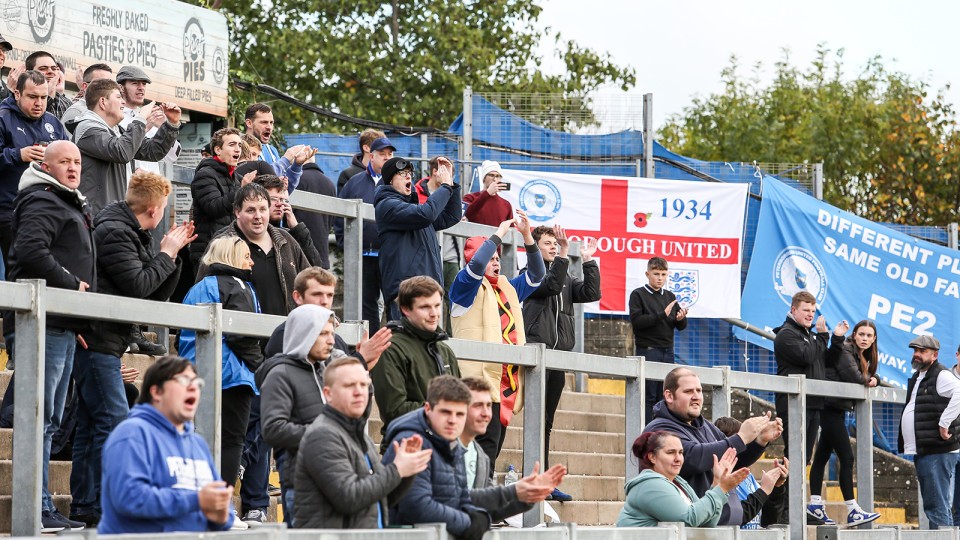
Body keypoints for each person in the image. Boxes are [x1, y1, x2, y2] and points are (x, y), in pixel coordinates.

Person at [69, 171, 194, 526]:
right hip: (96, 337)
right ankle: (110, 504)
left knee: (95, 423)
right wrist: (166, 252)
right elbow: (138, 285)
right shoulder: (114, 231)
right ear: (155, 211)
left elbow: (155, 293)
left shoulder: (128, 231)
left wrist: (173, 256)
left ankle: (89, 506)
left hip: (107, 338)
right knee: (113, 421)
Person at [3, 140, 92, 532]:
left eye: (77, 162)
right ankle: (34, 505)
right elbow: (30, 252)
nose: (73, 168)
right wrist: (73, 286)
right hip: (41, 322)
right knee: (38, 417)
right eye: (65, 162)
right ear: (47, 166)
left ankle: (42, 504)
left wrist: (78, 318)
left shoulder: (66, 200)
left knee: (50, 419)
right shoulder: (42, 200)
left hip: (61, 322)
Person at [178, 236, 263, 530]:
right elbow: (243, 335)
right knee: (231, 442)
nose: (251, 262)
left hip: (197, 372)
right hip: (232, 375)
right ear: (231, 257)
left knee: (203, 440)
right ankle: (222, 508)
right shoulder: (237, 285)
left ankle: (201, 505)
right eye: (246, 257)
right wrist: (261, 368)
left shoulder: (198, 286)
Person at [449, 211, 545, 467]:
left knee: (490, 457)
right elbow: (476, 266)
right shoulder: (463, 287)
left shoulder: (505, 286)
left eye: (497, 258)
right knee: (479, 459)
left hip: (503, 387)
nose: (495, 262)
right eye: (490, 257)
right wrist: (499, 233)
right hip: (475, 387)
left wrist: (527, 237)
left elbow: (537, 274)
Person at [98, 356, 234, 533]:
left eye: (197, 383)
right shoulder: (131, 434)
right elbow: (130, 497)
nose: (193, 387)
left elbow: (223, 509)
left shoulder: (197, 443)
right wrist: (197, 500)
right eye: (184, 380)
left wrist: (222, 516)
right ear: (157, 392)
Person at [295, 356, 432, 528]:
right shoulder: (322, 435)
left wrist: (406, 471)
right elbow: (349, 497)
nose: (359, 391)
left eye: (363, 384)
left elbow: (381, 499)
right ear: (328, 394)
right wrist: (397, 469)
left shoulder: (361, 437)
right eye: (349, 385)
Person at [642, 367, 782, 526]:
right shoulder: (659, 429)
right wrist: (742, 437)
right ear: (669, 395)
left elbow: (733, 459)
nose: (696, 397)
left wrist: (759, 441)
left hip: (725, 527)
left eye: (699, 391)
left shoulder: (706, 426)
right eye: (688, 392)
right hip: (694, 528)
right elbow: (693, 458)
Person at [521, 224, 600, 501]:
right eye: (547, 243)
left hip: (557, 358)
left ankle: (543, 481)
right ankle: (533, 480)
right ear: (534, 247)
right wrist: (565, 255)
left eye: (556, 243)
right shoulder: (530, 273)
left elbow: (591, 294)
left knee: (547, 420)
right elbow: (550, 284)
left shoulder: (563, 274)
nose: (554, 246)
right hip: (535, 356)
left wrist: (588, 261)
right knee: (536, 419)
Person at [255, 304, 338, 524]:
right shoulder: (280, 374)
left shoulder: (326, 370)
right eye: (322, 334)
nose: (331, 340)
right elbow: (273, 429)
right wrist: (323, 433)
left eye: (332, 333)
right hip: (301, 480)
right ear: (304, 333)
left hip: (334, 474)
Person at [382, 375, 491, 539]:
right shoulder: (412, 441)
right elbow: (417, 506)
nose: (453, 421)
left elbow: (461, 499)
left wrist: (480, 517)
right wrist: (468, 523)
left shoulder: (451, 442)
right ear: (428, 409)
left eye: (460, 414)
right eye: (445, 412)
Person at [773, 290, 845, 524]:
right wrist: (822, 337)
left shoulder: (810, 336)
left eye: (813, 311)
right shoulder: (786, 334)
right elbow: (806, 357)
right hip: (794, 404)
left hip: (813, 403)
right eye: (806, 310)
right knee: (793, 455)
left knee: (802, 458)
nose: (810, 315)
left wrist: (836, 339)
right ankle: (785, 512)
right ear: (794, 310)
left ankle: (793, 507)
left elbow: (827, 362)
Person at [808, 319, 882, 526]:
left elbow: (865, 377)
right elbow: (855, 378)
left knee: (822, 455)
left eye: (869, 336)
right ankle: (852, 510)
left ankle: (815, 505)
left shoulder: (863, 354)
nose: (865, 339)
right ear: (854, 335)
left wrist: (875, 378)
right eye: (861, 334)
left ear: (874, 338)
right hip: (828, 407)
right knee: (847, 457)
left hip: (837, 409)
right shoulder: (845, 350)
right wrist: (870, 379)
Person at [460, 377, 566, 521]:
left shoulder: (480, 456)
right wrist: (514, 491)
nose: (486, 413)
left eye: (489, 405)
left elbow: (488, 508)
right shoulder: (440, 450)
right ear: (460, 408)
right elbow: (451, 502)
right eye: (478, 405)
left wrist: (527, 497)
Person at [371, 276, 461, 440]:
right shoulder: (391, 349)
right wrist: (443, 410)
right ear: (405, 309)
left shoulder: (445, 351)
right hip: (408, 448)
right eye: (425, 307)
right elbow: (394, 410)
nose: (434, 314)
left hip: (447, 448)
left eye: (437, 306)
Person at [73, 78, 180, 216]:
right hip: (95, 217)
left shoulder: (116, 131)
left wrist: (171, 124)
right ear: (103, 102)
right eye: (118, 97)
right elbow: (122, 152)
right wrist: (140, 119)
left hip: (113, 214)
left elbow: (154, 151)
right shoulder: (87, 128)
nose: (123, 102)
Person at [374, 156, 461, 320]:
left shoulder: (415, 210)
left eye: (409, 173)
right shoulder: (387, 205)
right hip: (406, 294)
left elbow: (452, 216)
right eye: (402, 173)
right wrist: (445, 186)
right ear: (390, 181)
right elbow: (427, 213)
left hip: (426, 292)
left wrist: (451, 184)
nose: (408, 176)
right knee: (406, 342)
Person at [0, 70, 69, 263]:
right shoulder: (3, 118)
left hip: (48, 209)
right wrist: (18, 154)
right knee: (18, 270)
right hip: (10, 210)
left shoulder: (53, 123)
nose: (39, 103)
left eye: (43, 97)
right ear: (17, 94)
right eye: (32, 97)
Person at [616, 431, 749, 527]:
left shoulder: (679, 482)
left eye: (680, 452)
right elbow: (687, 519)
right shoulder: (649, 485)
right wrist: (722, 488)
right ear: (652, 457)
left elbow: (708, 522)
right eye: (670, 452)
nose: (678, 458)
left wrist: (716, 483)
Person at [263, 266, 392, 365]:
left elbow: (346, 385)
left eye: (329, 295)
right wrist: (361, 359)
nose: (325, 301)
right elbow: (315, 379)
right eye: (317, 294)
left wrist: (364, 363)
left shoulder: (338, 339)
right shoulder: (285, 335)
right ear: (298, 297)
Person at [334, 136, 396, 332]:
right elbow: (340, 214)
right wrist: (346, 244)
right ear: (371, 156)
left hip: (390, 256)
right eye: (382, 154)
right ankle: (370, 350)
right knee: (367, 308)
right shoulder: (354, 183)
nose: (387, 158)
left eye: (390, 154)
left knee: (395, 303)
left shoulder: (398, 183)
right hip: (363, 257)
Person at [899, 335, 960, 529]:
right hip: (927, 449)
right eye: (915, 350)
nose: (917, 354)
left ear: (934, 355)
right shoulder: (920, 375)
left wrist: (944, 423)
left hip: (937, 451)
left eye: (922, 351)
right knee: (936, 505)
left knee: (937, 506)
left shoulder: (941, 374)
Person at [628, 256, 688, 423]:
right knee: (648, 396)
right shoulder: (638, 294)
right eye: (656, 274)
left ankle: (662, 431)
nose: (660, 278)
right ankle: (649, 433)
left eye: (663, 274)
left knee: (665, 395)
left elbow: (680, 326)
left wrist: (681, 318)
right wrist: (662, 314)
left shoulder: (670, 295)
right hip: (648, 350)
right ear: (647, 274)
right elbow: (638, 323)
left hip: (668, 352)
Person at [414, 156, 464, 329]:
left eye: (451, 174)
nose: (448, 177)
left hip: (449, 257)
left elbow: (453, 216)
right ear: (435, 172)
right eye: (445, 172)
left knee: (453, 300)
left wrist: (451, 188)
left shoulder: (450, 191)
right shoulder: (416, 192)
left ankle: (450, 339)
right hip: (424, 256)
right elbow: (428, 215)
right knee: (426, 298)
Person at [714, 417, 790, 529]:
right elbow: (737, 517)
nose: (746, 447)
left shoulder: (748, 476)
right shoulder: (717, 480)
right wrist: (764, 490)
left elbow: (768, 521)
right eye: (743, 442)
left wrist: (776, 488)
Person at [190, 127, 243, 268]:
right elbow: (213, 207)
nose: (237, 149)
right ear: (218, 150)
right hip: (209, 252)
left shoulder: (237, 178)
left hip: (230, 250)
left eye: (239, 145)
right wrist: (242, 190)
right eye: (232, 145)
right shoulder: (205, 174)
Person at [116, 65, 182, 178]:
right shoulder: (116, 117)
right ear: (121, 87)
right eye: (135, 83)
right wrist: (144, 127)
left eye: (144, 84)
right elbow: (120, 150)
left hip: (153, 190)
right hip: (127, 189)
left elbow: (171, 157)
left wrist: (166, 125)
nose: (141, 87)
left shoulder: (151, 115)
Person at [253, 174, 322, 266]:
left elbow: (315, 266)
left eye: (283, 200)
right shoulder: (247, 234)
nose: (279, 204)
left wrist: (297, 229)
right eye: (273, 199)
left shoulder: (289, 235)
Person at [243, 102, 311, 188]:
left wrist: (297, 166)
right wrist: (285, 161)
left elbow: (282, 189)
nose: (269, 127)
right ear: (249, 123)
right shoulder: (240, 146)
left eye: (271, 123)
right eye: (264, 122)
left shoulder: (272, 150)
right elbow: (258, 182)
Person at [294, 155, 336, 269]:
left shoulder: (296, 180)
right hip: (321, 252)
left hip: (298, 253)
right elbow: (332, 220)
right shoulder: (330, 184)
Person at [23, 51, 72, 119]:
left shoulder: (67, 103)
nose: (50, 72)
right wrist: (49, 95)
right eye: (43, 68)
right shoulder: (21, 98)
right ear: (28, 73)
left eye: (54, 68)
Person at [462, 160, 512, 226]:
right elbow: (468, 215)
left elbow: (510, 229)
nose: (495, 179)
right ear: (484, 178)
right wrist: (487, 193)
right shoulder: (470, 198)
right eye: (491, 175)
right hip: (476, 235)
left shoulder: (506, 204)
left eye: (498, 176)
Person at [337, 128, 385, 193]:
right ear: (366, 148)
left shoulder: (388, 176)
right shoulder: (348, 175)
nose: (386, 156)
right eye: (381, 150)